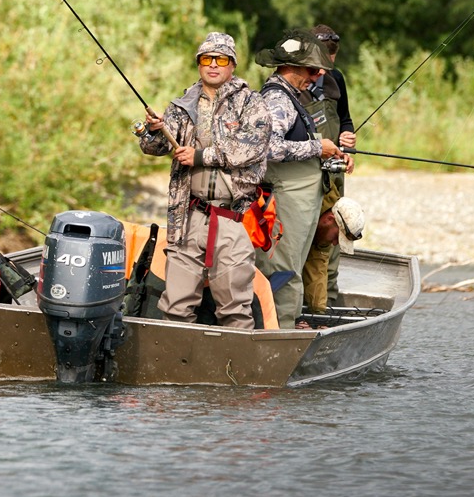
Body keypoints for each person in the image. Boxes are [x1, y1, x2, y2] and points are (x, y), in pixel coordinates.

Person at [137, 32, 271, 329]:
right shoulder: (182, 104)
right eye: (206, 59)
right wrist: (154, 131)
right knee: (175, 306)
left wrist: (199, 157)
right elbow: (155, 149)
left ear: (232, 65)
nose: (213, 65)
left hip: (232, 218)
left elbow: (250, 148)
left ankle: (237, 370)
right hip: (188, 218)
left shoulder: (252, 103)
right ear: (199, 63)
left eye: (221, 59)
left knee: (235, 309)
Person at [253, 29, 346, 328]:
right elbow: (267, 147)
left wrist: (329, 155)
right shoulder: (277, 100)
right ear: (290, 67)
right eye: (311, 69)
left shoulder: (290, 97)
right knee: (283, 269)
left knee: (292, 267)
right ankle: (278, 333)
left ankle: (289, 325)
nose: (317, 75)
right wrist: (319, 147)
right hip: (284, 204)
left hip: (299, 205)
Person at [300, 23, 356, 311]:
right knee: (304, 245)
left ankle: (327, 308)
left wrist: (348, 143)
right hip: (304, 177)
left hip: (335, 174)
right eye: (321, 60)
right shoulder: (291, 84)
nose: (326, 68)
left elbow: (345, 120)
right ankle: (299, 311)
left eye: (331, 59)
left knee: (333, 243)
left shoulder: (336, 79)